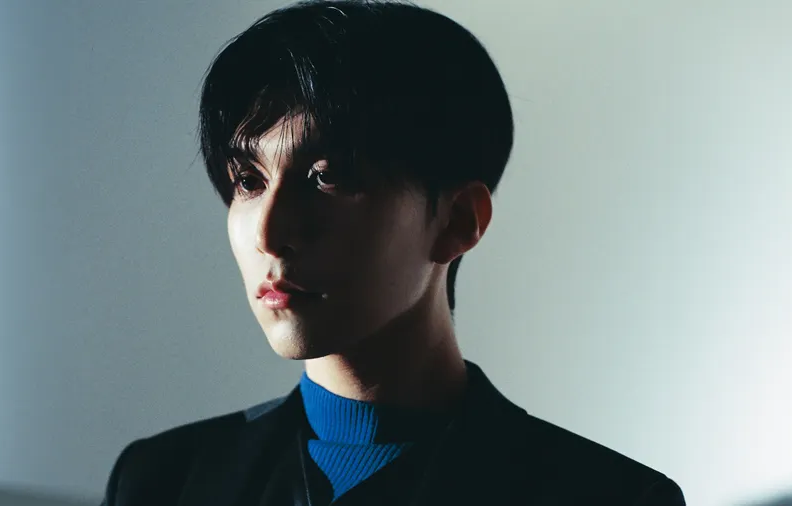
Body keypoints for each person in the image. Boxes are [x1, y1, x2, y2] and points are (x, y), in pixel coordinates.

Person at [99, 1, 686, 504]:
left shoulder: (608, 496)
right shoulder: (164, 482)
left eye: (326, 177)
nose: (270, 235)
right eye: (249, 181)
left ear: (458, 221)